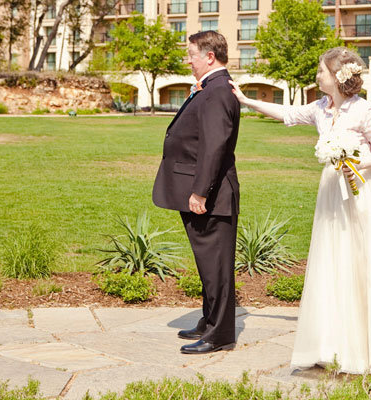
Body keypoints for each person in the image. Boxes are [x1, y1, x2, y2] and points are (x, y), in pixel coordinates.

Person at [229, 47, 371, 373]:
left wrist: (356, 164)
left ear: (336, 76)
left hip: (366, 193)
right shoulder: (321, 108)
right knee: (337, 263)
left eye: (321, 70)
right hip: (333, 196)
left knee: (369, 262)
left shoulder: (364, 111)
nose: (317, 75)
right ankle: (337, 346)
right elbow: (287, 114)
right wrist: (247, 101)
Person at [153, 30, 240, 354]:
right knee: (208, 264)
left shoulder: (218, 91)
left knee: (216, 266)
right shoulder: (210, 88)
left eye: (190, 54)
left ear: (209, 56)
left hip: (212, 197)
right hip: (203, 192)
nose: (187, 60)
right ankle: (209, 321)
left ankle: (220, 335)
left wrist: (200, 193)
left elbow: (215, 147)